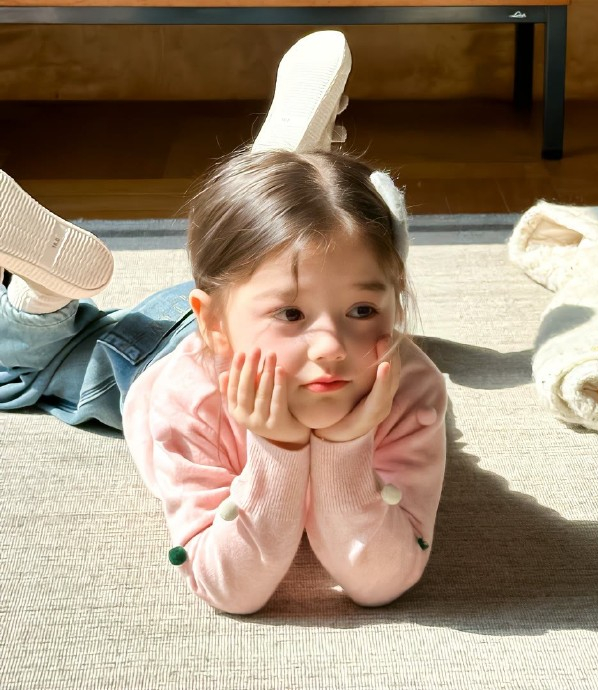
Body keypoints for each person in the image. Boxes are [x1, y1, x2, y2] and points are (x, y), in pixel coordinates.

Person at [0, 31, 447, 614]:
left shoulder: (410, 387)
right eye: (294, 314)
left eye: (363, 311)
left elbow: (381, 580)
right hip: (146, 361)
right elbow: (232, 591)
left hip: (238, 313)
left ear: (395, 303)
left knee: (292, 273)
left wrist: (345, 445)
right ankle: (40, 300)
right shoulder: (185, 400)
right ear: (215, 327)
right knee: (30, 364)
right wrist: (276, 449)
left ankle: (278, 192)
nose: (333, 347)